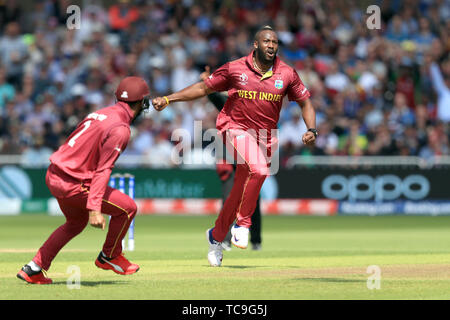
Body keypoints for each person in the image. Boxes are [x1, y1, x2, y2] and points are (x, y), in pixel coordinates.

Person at [153, 25, 317, 267]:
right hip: (235, 129)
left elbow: (305, 103)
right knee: (260, 170)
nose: (271, 45)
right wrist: (168, 98)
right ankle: (243, 225)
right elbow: (203, 88)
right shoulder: (235, 68)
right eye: (266, 41)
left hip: (266, 137)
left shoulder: (287, 73)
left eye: (275, 42)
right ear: (256, 44)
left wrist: (311, 129)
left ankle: (216, 236)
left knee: (236, 194)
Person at [17, 77, 151, 284]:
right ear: (142, 103)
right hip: (74, 183)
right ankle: (110, 256)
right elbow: (103, 169)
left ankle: (35, 267)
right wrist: (95, 208)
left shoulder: (100, 113)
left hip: (54, 174)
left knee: (75, 223)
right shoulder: (121, 129)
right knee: (128, 208)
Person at [199, 66, 262, 251]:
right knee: (229, 199)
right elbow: (215, 96)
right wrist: (207, 82)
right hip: (231, 158)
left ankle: (255, 239)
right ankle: (225, 239)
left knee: (253, 201)